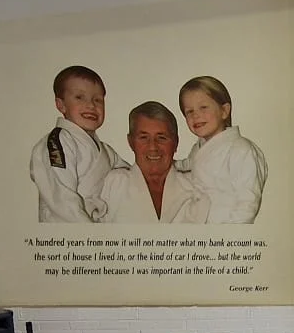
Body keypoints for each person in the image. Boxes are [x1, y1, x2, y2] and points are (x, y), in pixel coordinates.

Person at [29, 64, 126, 223]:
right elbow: (61, 197)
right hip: (65, 228)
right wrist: (86, 232)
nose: (91, 105)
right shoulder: (57, 142)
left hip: (99, 229)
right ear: (61, 105)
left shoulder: (107, 152)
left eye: (97, 100)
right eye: (80, 97)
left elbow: (133, 177)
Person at [177, 76, 267, 225]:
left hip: (225, 225)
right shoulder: (199, 147)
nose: (195, 115)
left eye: (203, 107)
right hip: (199, 223)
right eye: (189, 111)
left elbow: (248, 199)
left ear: (224, 111)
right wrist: (170, 164)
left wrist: (234, 231)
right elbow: (189, 165)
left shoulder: (241, 150)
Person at [100, 102, 209, 224]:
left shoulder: (194, 184)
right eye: (144, 138)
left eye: (161, 138)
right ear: (131, 142)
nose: (153, 147)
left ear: (175, 143)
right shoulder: (114, 183)